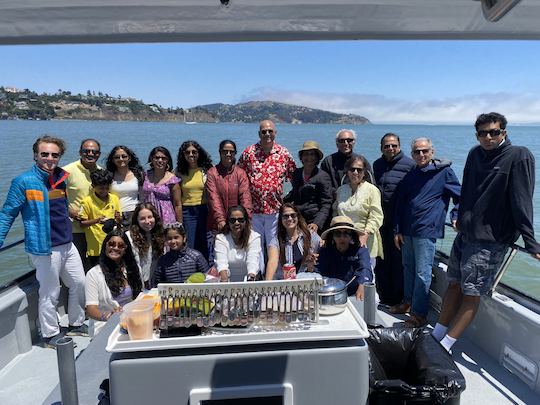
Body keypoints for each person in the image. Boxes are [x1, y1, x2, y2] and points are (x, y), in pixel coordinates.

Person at [433, 112, 540, 352]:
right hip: (465, 234)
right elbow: (467, 191)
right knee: (453, 285)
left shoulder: (518, 156)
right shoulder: (474, 154)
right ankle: (436, 334)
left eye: (494, 132)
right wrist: (458, 217)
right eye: (483, 133)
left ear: (504, 133)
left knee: (472, 293)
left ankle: (446, 345)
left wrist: (530, 242)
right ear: (477, 135)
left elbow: (522, 199)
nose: (488, 137)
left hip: (490, 241)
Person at [0, 135, 86, 347]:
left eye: (54, 155)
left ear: (60, 156)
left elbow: (59, 207)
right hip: (44, 247)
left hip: (67, 242)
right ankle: (50, 335)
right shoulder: (23, 182)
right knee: (50, 292)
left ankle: (76, 323)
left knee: (79, 283)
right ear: (35, 155)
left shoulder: (61, 178)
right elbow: (8, 213)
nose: (49, 158)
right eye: (44, 154)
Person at [392, 138, 461, 328]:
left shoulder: (444, 172)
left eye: (425, 151)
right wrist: (397, 229)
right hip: (407, 231)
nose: (421, 155)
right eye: (416, 152)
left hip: (427, 231)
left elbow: (461, 197)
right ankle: (407, 302)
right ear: (412, 154)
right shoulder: (411, 173)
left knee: (422, 273)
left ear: (432, 151)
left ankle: (419, 315)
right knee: (408, 268)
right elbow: (401, 203)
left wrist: (456, 215)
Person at [238, 120, 296, 261]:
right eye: (264, 131)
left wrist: (289, 203)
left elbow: (294, 177)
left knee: (273, 245)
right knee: (254, 247)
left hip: (274, 210)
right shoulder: (248, 153)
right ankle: (257, 277)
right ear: (259, 134)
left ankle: (272, 278)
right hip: (253, 210)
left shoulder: (283, 153)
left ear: (275, 133)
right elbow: (239, 176)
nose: (267, 134)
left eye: (270, 131)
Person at [373, 133, 415, 305]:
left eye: (393, 145)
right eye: (386, 145)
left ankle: (400, 298)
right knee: (382, 259)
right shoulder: (377, 164)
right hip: (381, 221)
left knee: (399, 261)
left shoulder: (410, 165)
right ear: (381, 147)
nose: (390, 148)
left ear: (399, 146)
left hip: (400, 221)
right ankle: (385, 295)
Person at [85, 229, 143, 337]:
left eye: (120, 246)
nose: (115, 248)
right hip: (106, 324)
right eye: (111, 244)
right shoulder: (94, 274)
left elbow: (140, 297)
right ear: (105, 246)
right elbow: (91, 309)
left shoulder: (134, 269)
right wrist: (107, 316)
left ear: (126, 249)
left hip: (132, 319)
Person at [334, 155, 383, 272]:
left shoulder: (372, 190)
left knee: (366, 277)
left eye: (359, 170)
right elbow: (335, 212)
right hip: (344, 239)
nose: (355, 172)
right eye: (352, 169)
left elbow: (376, 215)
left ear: (365, 172)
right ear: (347, 172)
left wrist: (365, 234)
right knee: (344, 275)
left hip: (366, 241)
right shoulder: (341, 190)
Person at [63, 138, 102, 271]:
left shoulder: (101, 172)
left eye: (94, 152)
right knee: (76, 267)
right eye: (87, 151)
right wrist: (68, 210)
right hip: (76, 229)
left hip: (97, 229)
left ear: (99, 154)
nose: (90, 154)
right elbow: (54, 196)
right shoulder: (66, 171)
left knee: (96, 266)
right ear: (80, 152)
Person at [316, 216, 372, 299]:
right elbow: (317, 271)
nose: (342, 237)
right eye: (338, 233)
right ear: (332, 236)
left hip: (354, 294)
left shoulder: (360, 251)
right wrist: (310, 268)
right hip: (329, 294)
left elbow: (365, 269)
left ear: (352, 235)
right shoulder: (325, 251)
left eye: (347, 233)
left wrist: (363, 284)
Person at [285, 141, 332, 234]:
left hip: (314, 219)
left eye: (312, 154)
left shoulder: (323, 176)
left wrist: (317, 223)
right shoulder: (297, 173)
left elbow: (326, 204)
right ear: (301, 157)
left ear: (317, 157)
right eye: (306, 154)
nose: (309, 157)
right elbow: (293, 193)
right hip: (297, 218)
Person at [176, 140, 213, 259]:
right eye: (187, 152)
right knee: (190, 243)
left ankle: (206, 271)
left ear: (199, 153)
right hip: (187, 211)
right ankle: (191, 271)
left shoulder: (206, 169)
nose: (191, 154)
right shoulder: (178, 172)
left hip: (204, 210)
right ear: (183, 154)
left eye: (194, 152)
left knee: (205, 243)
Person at [265, 203, 321, 280]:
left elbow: (322, 247)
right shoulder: (276, 240)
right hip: (283, 283)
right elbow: (272, 262)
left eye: (293, 215)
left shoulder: (310, 235)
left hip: (304, 282)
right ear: (280, 219)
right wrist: (267, 285)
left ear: (298, 217)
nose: (290, 219)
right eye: (285, 216)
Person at [80, 169, 122, 268]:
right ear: (93, 186)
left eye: (107, 188)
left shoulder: (114, 198)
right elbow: (82, 224)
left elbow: (118, 220)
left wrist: (118, 219)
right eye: (100, 188)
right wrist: (97, 220)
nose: (104, 191)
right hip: (95, 248)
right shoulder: (86, 202)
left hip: (113, 246)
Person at [214, 206, 262, 282]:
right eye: (232, 220)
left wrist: (250, 279)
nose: (237, 223)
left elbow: (253, 261)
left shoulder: (254, 237)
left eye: (240, 220)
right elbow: (221, 264)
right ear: (228, 222)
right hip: (227, 280)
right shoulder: (220, 238)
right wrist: (225, 281)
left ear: (246, 221)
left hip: (249, 280)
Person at [126, 203, 165, 289]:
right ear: (137, 220)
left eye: (150, 217)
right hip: (136, 284)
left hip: (153, 284)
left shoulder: (160, 234)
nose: (147, 222)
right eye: (142, 219)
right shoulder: (129, 237)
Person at [106, 145, 144, 230]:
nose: (121, 159)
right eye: (117, 157)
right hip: (115, 214)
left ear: (129, 158)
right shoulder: (109, 175)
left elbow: (142, 195)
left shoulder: (138, 174)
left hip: (135, 213)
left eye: (124, 156)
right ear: (112, 160)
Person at [143, 146, 182, 225]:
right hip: (148, 216)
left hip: (166, 216)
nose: (160, 160)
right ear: (151, 159)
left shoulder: (172, 179)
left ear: (167, 161)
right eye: (157, 158)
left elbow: (177, 204)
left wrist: (179, 224)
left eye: (163, 158)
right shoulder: (144, 175)